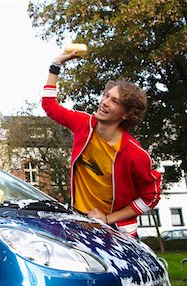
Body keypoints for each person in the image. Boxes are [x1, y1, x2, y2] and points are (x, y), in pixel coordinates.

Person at [42, 51, 161, 237]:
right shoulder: (83, 123)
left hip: (117, 231)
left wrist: (108, 218)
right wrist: (55, 64)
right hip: (79, 222)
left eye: (114, 101)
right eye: (106, 96)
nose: (104, 102)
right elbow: (50, 105)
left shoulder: (134, 153)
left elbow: (151, 197)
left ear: (126, 114)